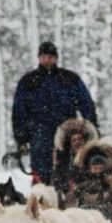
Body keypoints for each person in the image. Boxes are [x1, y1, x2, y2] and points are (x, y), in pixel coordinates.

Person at [11, 41, 98, 185]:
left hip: (67, 132)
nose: (47, 60)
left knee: (70, 171)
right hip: (39, 132)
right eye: (44, 56)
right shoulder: (28, 81)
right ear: (39, 58)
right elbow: (19, 111)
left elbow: (86, 103)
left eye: (50, 57)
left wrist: (92, 126)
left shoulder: (70, 79)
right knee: (41, 174)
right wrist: (21, 137)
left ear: (56, 58)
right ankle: (42, 199)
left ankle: (68, 197)